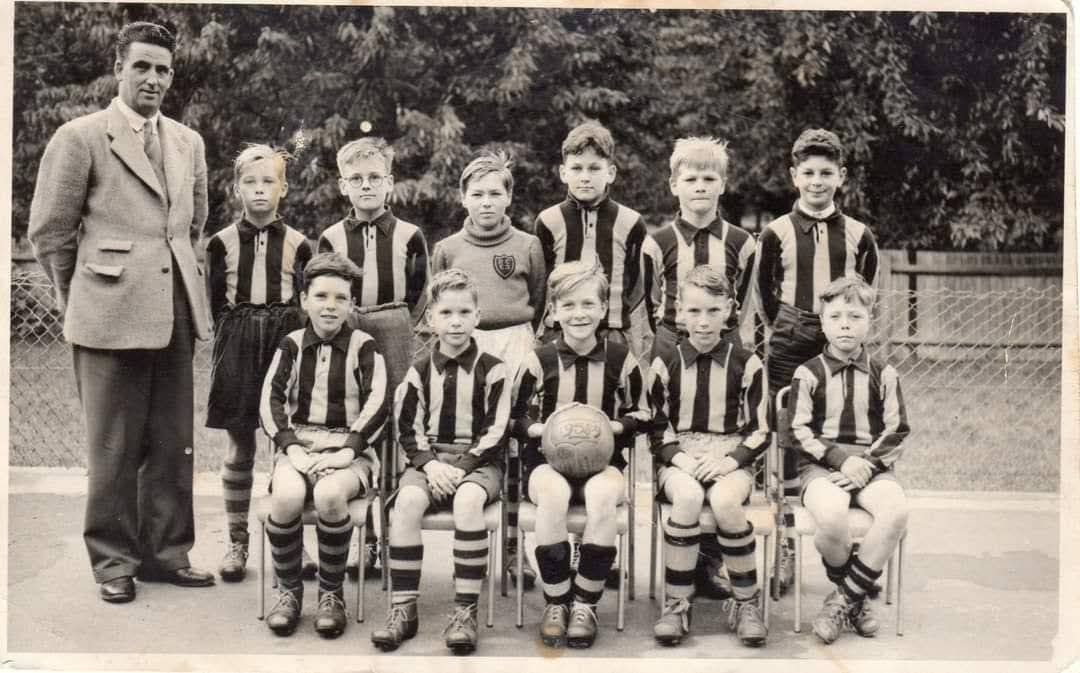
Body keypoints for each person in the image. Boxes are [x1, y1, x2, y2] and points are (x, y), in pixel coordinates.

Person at [27, 21, 214, 604]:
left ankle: (166, 554)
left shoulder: (188, 142)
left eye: (163, 69)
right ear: (118, 69)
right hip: (106, 317)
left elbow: (192, 225)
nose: (153, 79)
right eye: (142, 67)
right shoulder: (80, 137)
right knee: (112, 448)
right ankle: (113, 563)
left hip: (175, 315)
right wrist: (82, 294)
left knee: (171, 443)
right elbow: (50, 233)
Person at [533, 120, 661, 582]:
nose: (585, 176)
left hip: (611, 334)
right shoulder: (548, 220)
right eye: (577, 167)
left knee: (603, 437)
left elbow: (639, 284)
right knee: (561, 436)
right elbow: (541, 279)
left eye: (595, 167)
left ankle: (600, 545)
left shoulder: (630, 221)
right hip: (559, 334)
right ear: (562, 171)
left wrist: (618, 324)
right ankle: (563, 550)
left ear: (611, 172)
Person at [754, 128, 880, 594]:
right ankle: (784, 548)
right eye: (808, 173)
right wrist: (787, 327)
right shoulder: (776, 232)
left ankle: (845, 533)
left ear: (841, 176)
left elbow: (866, 292)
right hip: (789, 337)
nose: (817, 181)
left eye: (826, 173)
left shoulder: (859, 234)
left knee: (840, 425)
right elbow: (764, 294)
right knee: (786, 433)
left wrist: (839, 329)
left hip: (840, 338)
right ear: (794, 176)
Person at [510, 261, 650, 648]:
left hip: (603, 464)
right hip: (546, 463)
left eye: (588, 304)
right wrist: (543, 429)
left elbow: (644, 413)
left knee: (604, 497)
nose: (579, 313)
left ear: (604, 308)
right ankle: (556, 600)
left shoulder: (623, 358)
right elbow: (515, 418)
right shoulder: (538, 359)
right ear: (553, 311)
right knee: (552, 497)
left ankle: (586, 603)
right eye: (568, 305)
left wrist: (611, 427)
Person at [372, 269, 511, 654]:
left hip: (478, 464)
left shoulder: (494, 368)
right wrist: (431, 465)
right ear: (430, 318)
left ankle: (464, 611)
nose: (455, 321)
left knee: (468, 503)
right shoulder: (417, 372)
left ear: (478, 317)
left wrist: (461, 467)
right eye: (446, 313)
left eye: (464, 312)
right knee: (406, 504)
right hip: (429, 460)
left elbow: (496, 430)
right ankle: (403, 608)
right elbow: (407, 428)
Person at [431, 150, 546, 591]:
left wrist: (522, 342)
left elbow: (536, 298)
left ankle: (516, 552)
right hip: (467, 346)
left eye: (495, 193)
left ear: (508, 198)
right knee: (479, 439)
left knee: (515, 446)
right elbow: (439, 306)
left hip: (514, 343)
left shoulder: (526, 245)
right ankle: (471, 541)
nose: (486, 202)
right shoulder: (448, 249)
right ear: (463, 198)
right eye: (476, 193)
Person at [259, 252, 389, 638]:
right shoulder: (292, 344)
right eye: (321, 296)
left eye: (340, 298)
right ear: (304, 300)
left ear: (352, 304)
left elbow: (378, 402)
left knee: (332, 495)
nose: (330, 306)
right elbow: (271, 399)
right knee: (286, 497)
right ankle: (289, 591)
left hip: (349, 450)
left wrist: (349, 450)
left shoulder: (365, 346)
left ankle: (332, 594)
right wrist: (293, 450)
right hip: (299, 444)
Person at [650, 137, 757, 598]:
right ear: (674, 184)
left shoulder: (742, 242)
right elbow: (647, 302)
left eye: (709, 178)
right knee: (681, 451)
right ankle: (683, 567)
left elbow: (747, 303)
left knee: (720, 443)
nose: (699, 186)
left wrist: (738, 345)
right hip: (674, 346)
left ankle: (708, 565)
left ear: (723, 185)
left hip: (724, 346)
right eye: (690, 178)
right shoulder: (656, 243)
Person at [318, 136, 430, 576]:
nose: (366, 186)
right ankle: (360, 538)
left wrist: (395, 320)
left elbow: (420, 291)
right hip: (349, 327)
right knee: (356, 420)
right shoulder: (331, 236)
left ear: (390, 182)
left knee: (393, 424)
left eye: (374, 178)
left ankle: (388, 535)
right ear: (343, 186)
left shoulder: (409, 234)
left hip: (393, 326)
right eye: (356, 179)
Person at [204, 144, 312, 582]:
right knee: (241, 444)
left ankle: (292, 543)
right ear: (236, 189)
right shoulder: (221, 243)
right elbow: (215, 304)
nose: (260, 189)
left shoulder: (302, 244)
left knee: (290, 447)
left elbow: (307, 301)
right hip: (238, 340)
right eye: (250, 181)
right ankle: (236, 540)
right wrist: (239, 333)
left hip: (286, 339)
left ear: (283, 188)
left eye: (269, 181)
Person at [648, 265, 770, 647]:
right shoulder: (664, 362)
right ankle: (677, 604)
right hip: (680, 455)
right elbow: (655, 424)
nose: (703, 322)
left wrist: (730, 461)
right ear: (679, 311)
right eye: (695, 311)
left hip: (728, 453)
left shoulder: (747, 362)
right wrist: (681, 459)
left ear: (730, 310)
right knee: (686, 497)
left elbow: (761, 428)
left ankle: (746, 602)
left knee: (724, 499)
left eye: (713, 311)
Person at [787, 275, 909, 644]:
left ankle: (844, 599)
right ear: (822, 323)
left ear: (869, 320)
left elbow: (897, 428)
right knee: (831, 515)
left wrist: (866, 465)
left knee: (896, 512)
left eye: (854, 316)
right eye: (836, 316)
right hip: (822, 467)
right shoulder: (807, 373)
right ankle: (857, 599)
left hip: (871, 467)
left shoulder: (884, 373)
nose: (845, 324)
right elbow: (796, 430)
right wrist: (841, 462)